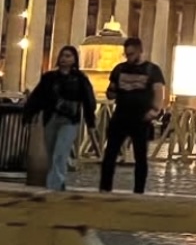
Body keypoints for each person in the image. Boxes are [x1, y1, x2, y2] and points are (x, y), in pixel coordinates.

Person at [22, 45, 98, 191]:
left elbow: (88, 101)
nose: (64, 59)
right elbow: (37, 97)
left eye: (68, 56)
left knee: (60, 153)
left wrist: (91, 122)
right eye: (62, 55)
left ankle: (53, 187)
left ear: (75, 59)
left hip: (69, 120)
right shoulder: (49, 77)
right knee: (51, 154)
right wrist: (28, 115)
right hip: (51, 118)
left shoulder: (80, 79)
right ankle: (59, 183)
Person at [99, 37, 166, 194]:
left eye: (132, 54)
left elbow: (158, 91)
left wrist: (154, 111)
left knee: (140, 157)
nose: (128, 57)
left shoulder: (152, 70)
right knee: (110, 154)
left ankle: (139, 191)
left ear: (140, 51)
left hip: (140, 118)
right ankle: (104, 188)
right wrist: (111, 90)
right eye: (126, 54)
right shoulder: (119, 69)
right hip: (120, 115)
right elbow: (111, 92)